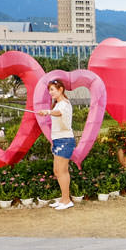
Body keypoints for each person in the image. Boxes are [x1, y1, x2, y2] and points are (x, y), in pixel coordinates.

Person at [36, 78, 75, 210]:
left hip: (65, 140)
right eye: (49, 90)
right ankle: (63, 199)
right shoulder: (57, 104)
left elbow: (59, 113)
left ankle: (67, 200)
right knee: (57, 171)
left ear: (60, 89)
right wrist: (53, 142)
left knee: (62, 171)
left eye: (52, 89)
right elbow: (56, 114)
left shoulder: (64, 103)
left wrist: (47, 111)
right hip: (58, 140)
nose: (50, 92)